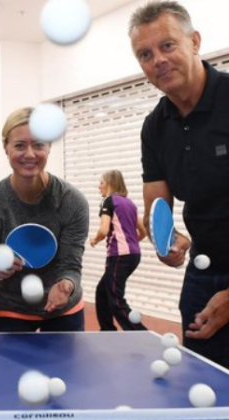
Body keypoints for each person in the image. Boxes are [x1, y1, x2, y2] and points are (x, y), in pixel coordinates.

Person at [129, 1, 229, 368]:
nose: (158, 60)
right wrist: (167, 242)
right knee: (204, 377)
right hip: (205, 268)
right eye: (145, 54)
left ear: (195, 42)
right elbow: (157, 211)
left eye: (167, 45)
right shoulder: (154, 127)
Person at [0, 107, 89, 332]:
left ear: (49, 146)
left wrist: (67, 285)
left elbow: (71, 266)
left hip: (64, 312)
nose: (30, 154)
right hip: (10, 311)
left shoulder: (72, 201)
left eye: (38, 145)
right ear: (6, 148)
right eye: (19, 145)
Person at [90, 169, 147, 331]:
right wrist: (132, 242)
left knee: (115, 299)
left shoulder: (108, 201)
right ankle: (107, 330)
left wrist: (95, 240)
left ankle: (142, 334)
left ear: (109, 184)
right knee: (102, 292)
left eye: (101, 182)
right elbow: (143, 230)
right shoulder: (129, 203)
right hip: (133, 255)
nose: (99, 186)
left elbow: (103, 230)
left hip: (119, 257)